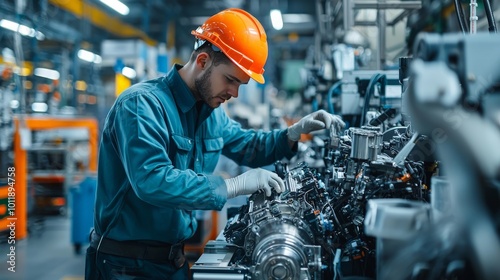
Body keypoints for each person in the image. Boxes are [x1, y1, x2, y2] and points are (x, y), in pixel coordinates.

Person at [85, 8, 344, 280]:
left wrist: (292, 133)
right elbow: (151, 180)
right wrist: (231, 185)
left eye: (240, 84)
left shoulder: (210, 114)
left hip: (172, 261)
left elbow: (247, 144)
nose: (234, 93)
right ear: (203, 60)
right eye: (231, 80)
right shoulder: (141, 106)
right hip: (124, 267)